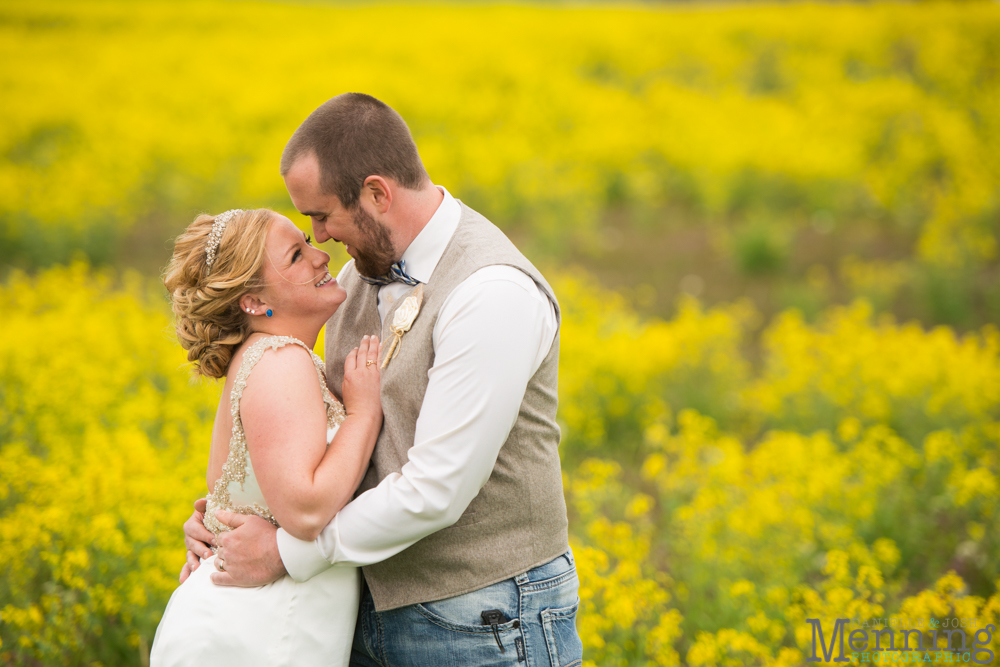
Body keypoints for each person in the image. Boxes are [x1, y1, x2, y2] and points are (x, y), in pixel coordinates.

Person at [181, 93, 584, 667]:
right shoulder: (350, 281)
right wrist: (225, 518)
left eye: (321, 216)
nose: (318, 238)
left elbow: (436, 489)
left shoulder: (491, 292)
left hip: (483, 615)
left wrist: (287, 551)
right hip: (356, 612)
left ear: (376, 193)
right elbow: (304, 430)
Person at [150, 207, 384, 666]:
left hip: (259, 620)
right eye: (297, 255)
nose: (321, 256)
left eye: (308, 242)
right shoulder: (280, 361)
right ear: (253, 302)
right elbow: (306, 508)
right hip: (257, 629)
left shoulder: (270, 358)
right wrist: (363, 412)